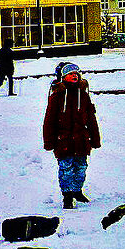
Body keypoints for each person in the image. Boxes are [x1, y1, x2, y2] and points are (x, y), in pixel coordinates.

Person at [42, 63, 101, 209]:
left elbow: (91, 119)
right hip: (63, 141)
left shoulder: (84, 95)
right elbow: (49, 120)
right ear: (63, 77)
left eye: (76, 73)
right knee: (66, 169)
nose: (74, 75)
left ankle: (77, 191)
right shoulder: (57, 96)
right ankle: (67, 196)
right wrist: (49, 141)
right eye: (70, 73)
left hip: (81, 141)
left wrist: (95, 139)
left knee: (81, 168)